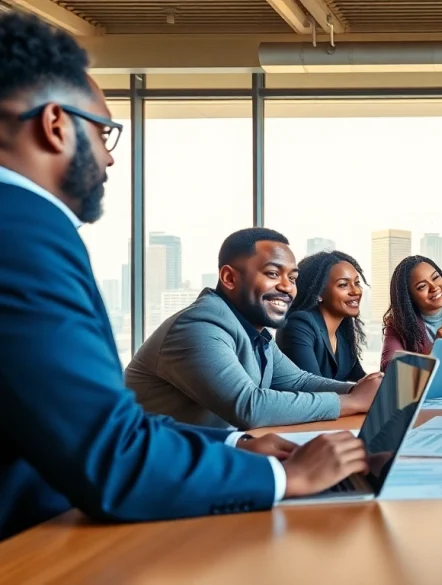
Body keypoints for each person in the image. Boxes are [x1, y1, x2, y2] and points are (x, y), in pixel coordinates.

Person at [0, 11, 367, 541]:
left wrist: (236, 446)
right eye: (104, 132)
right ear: (55, 124)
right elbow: (110, 455)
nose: (107, 157)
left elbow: (90, 422)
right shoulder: (23, 232)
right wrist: (284, 475)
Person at [125, 228, 382, 430]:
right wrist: (353, 401)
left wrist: (359, 390)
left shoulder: (254, 333)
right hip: (145, 476)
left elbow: (298, 381)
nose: (287, 287)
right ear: (229, 278)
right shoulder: (198, 327)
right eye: (272, 274)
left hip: (201, 458)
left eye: (292, 278)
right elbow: (250, 407)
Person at [276, 250, 373, 383]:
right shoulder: (299, 324)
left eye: (356, 283)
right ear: (319, 294)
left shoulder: (343, 330)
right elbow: (313, 386)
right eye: (343, 285)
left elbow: (360, 378)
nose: (355, 291)